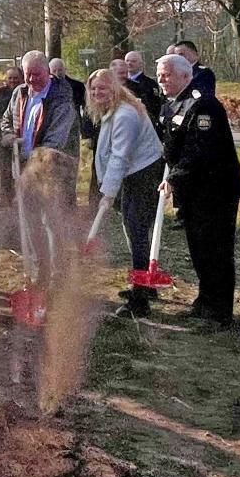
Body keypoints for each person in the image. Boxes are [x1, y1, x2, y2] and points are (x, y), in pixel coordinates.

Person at [156, 53, 240, 327]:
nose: (161, 79)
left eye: (167, 74)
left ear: (185, 75)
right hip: (193, 193)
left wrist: (175, 178)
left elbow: (199, 149)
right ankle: (205, 303)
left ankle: (219, 313)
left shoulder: (203, 105)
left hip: (215, 191)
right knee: (199, 250)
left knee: (215, 251)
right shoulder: (174, 105)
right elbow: (171, 146)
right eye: (159, 75)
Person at [85, 68, 164, 319]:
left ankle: (141, 300)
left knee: (137, 233)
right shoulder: (112, 110)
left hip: (143, 175)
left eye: (102, 87)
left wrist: (108, 194)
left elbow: (120, 156)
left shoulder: (125, 115)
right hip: (134, 174)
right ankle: (144, 285)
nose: (97, 92)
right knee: (134, 232)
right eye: (93, 88)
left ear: (114, 89)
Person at [1, 51, 81, 284]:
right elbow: (6, 119)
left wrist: (33, 166)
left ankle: (58, 276)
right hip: (26, 167)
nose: (32, 79)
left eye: (37, 74)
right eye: (28, 74)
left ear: (48, 72)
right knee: (30, 219)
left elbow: (54, 142)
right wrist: (8, 134)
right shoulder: (19, 93)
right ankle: (40, 271)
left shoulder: (62, 99)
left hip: (54, 170)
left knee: (52, 222)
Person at [0, 66, 23, 205]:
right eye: (10, 78)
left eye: (16, 78)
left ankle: (23, 197)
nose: (13, 81)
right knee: (4, 167)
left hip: (20, 134)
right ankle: (5, 197)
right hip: (4, 133)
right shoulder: (1, 92)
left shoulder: (25, 91)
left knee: (22, 166)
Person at [124, 50, 163, 125]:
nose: (129, 63)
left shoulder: (150, 84)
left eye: (133, 61)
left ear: (141, 64)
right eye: (127, 61)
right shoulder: (120, 82)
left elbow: (154, 107)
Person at [49, 57, 86, 121]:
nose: (57, 73)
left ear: (65, 70)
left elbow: (86, 107)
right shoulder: (46, 88)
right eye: (54, 71)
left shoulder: (78, 86)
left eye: (60, 70)